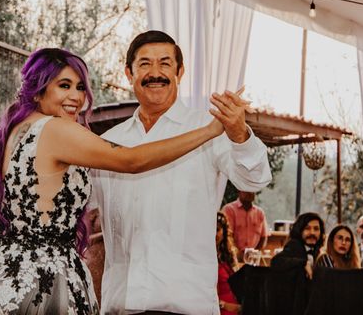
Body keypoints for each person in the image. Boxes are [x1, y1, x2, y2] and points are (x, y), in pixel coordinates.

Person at [0, 47, 226, 315]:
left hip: (7, 268)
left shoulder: (18, 129)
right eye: (63, 85)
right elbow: (132, 160)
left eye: (80, 87)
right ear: (37, 90)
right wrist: (209, 130)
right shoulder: (55, 129)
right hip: (46, 277)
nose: (76, 97)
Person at [90, 31, 271, 315]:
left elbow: (255, 178)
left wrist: (239, 134)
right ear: (128, 72)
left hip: (186, 305)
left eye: (165, 63)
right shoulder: (110, 142)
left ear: (180, 72)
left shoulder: (209, 128)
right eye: (145, 64)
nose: (155, 73)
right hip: (119, 305)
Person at [271, 212, 325, 279]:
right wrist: (303, 263)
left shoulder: (317, 250)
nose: (312, 233)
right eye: (307, 228)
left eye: (316, 229)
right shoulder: (294, 246)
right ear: (299, 231)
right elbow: (276, 261)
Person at [222, 190, 268, 261]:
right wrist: (236, 254)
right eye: (246, 189)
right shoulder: (229, 210)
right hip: (232, 258)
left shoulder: (260, 213)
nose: (250, 192)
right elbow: (226, 236)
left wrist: (254, 254)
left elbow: (264, 237)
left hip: (253, 260)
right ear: (239, 191)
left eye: (253, 190)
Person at [216, 212, 241, 315]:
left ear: (224, 232)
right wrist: (225, 305)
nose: (214, 234)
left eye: (217, 230)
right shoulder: (203, 256)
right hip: (221, 309)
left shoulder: (227, 253)